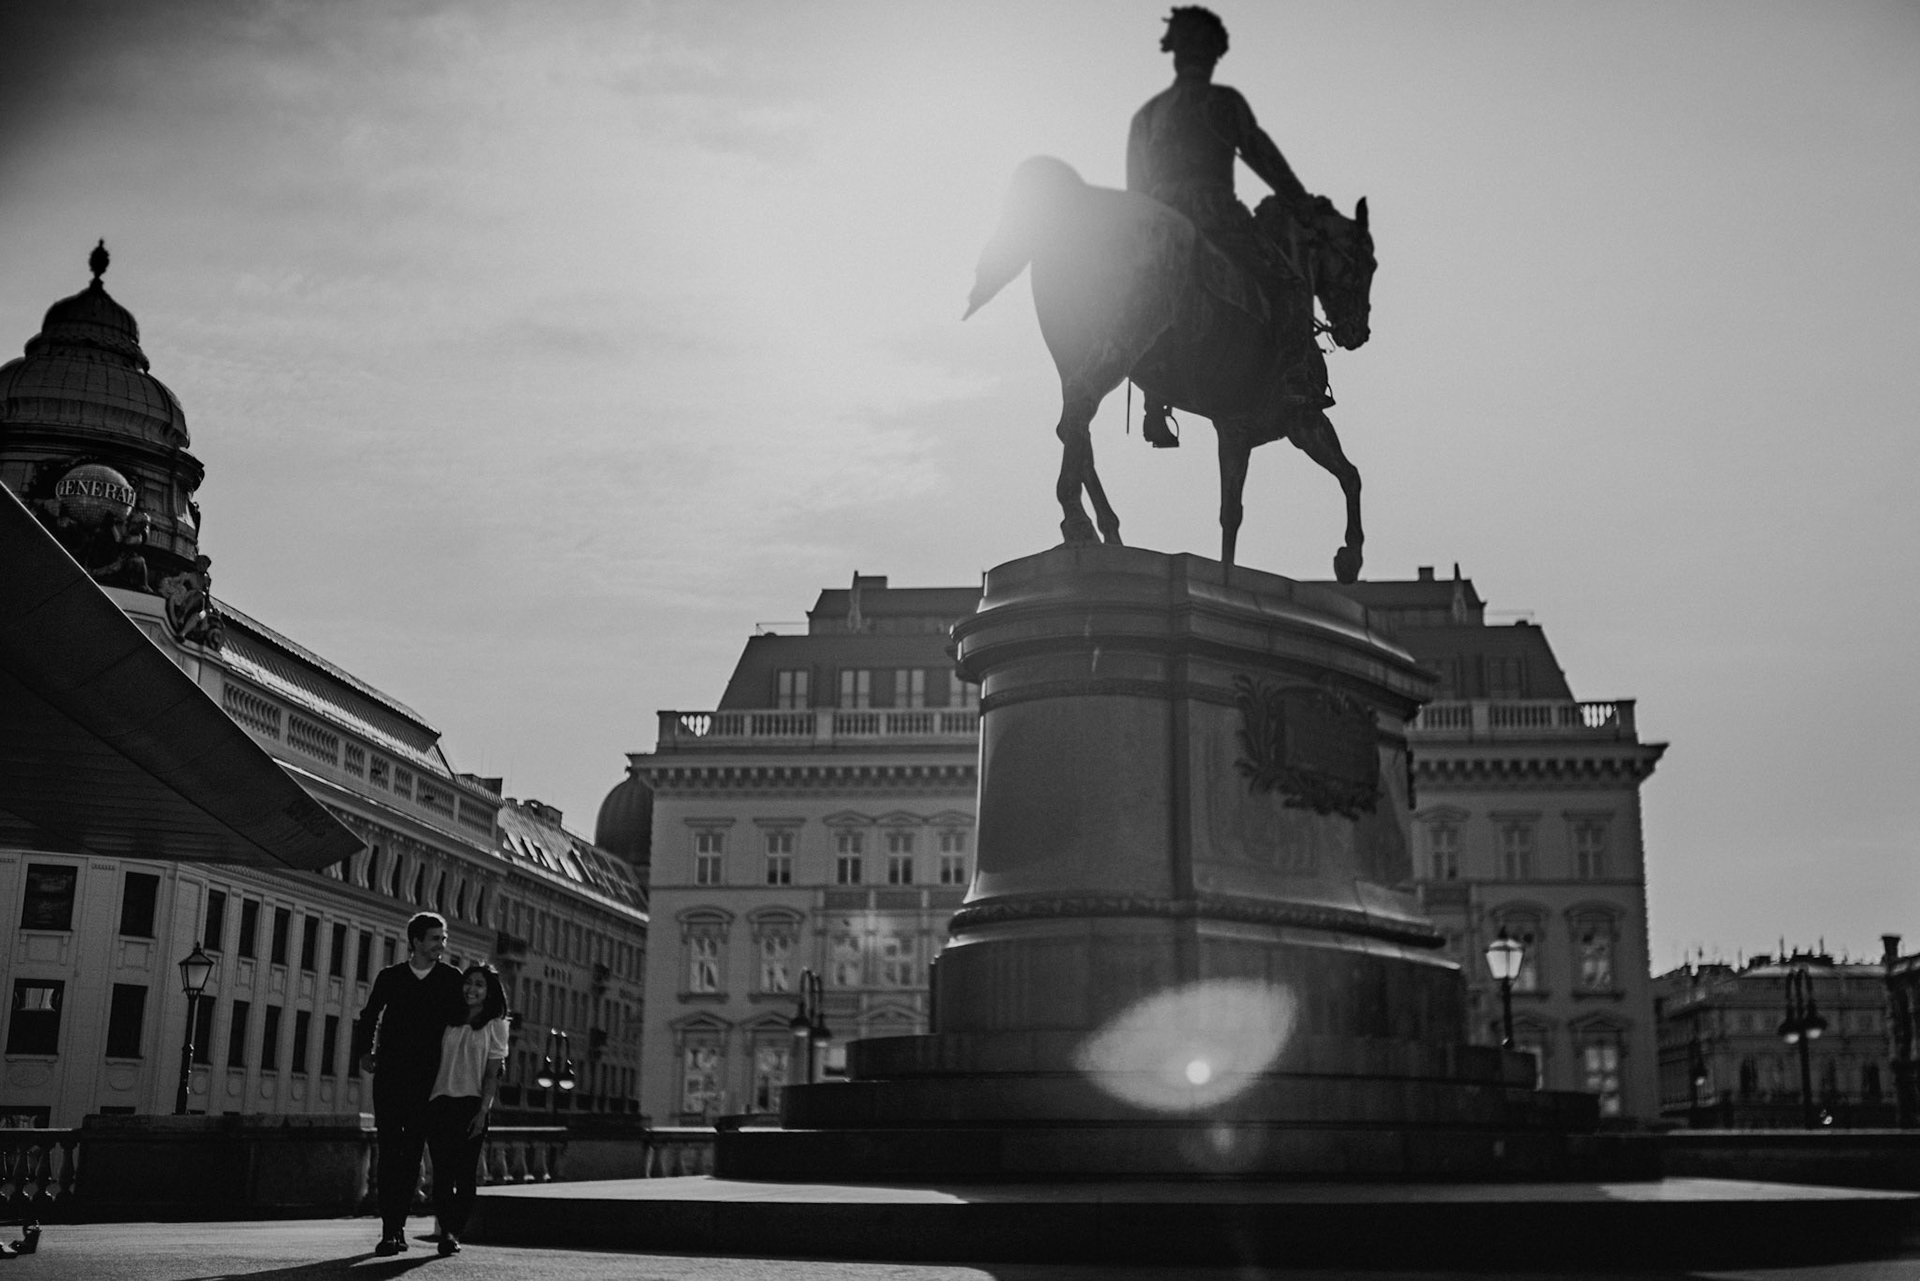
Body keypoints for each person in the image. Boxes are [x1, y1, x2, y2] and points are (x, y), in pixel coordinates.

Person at [1126, 6, 1315, 447]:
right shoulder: (1222, 102)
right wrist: (1298, 200)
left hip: (1158, 225)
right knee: (1291, 285)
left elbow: (1135, 190)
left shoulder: (1147, 115)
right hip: (1214, 214)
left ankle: (1156, 404)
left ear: (1175, 53)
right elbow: (1259, 153)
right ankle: (1296, 381)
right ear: (1212, 54)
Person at [352, 911, 465, 1256]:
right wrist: (365, 1054)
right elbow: (369, 1015)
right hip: (390, 1078)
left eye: (443, 939)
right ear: (416, 941)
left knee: (413, 1153)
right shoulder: (392, 977)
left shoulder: (449, 978)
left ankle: (404, 1226)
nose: (441, 945)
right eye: (435, 939)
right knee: (389, 1154)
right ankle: (391, 1230)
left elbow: (461, 1023)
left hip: (428, 1081)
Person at [424, 964, 510, 1256]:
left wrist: (483, 1111)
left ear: (489, 992)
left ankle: (454, 1230)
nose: (471, 989)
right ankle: (446, 1231)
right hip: (439, 1102)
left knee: (465, 1175)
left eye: (479, 985)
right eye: (468, 983)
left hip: (471, 1105)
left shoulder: (495, 1025)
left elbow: (492, 1074)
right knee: (442, 1175)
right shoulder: (447, 1019)